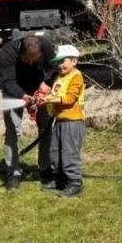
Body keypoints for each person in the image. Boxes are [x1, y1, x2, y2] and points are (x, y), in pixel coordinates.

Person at [0, 34, 57, 191]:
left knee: (45, 128)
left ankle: (45, 169)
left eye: (35, 60)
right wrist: (24, 96)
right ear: (20, 53)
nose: (31, 63)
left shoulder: (46, 46)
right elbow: (8, 82)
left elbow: (54, 67)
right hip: (14, 91)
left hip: (39, 89)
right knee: (12, 132)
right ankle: (13, 173)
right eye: (27, 60)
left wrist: (46, 83)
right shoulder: (7, 53)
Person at [44, 44, 86, 198]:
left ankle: (75, 183)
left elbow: (69, 99)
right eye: (58, 62)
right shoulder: (60, 76)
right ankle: (60, 180)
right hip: (60, 121)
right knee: (54, 153)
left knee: (69, 154)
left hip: (72, 122)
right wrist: (44, 97)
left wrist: (50, 99)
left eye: (64, 61)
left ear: (74, 61)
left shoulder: (76, 76)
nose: (60, 65)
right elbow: (55, 93)